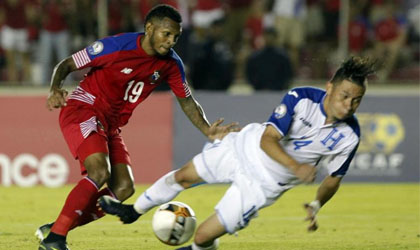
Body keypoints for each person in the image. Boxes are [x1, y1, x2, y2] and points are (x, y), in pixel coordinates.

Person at [99, 57, 375, 250]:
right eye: (344, 96)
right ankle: (133, 211)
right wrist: (297, 167)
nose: (349, 105)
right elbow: (268, 140)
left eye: (356, 100)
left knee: (204, 236)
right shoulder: (301, 98)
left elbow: (333, 179)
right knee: (183, 176)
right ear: (330, 87)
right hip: (245, 147)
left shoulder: (349, 136)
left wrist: (316, 205)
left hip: (263, 185)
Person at [36, 5, 239, 250]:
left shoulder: (172, 64)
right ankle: (55, 239)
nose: (171, 41)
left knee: (123, 189)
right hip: (84, 109)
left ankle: (58, 225)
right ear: (150, 28)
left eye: (176, 37)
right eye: (166, 34)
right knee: (99, 172)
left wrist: (208, 130)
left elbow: (186, 100)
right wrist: (55, 88)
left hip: (111, 125)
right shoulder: (116, 46)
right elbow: (66, 64)